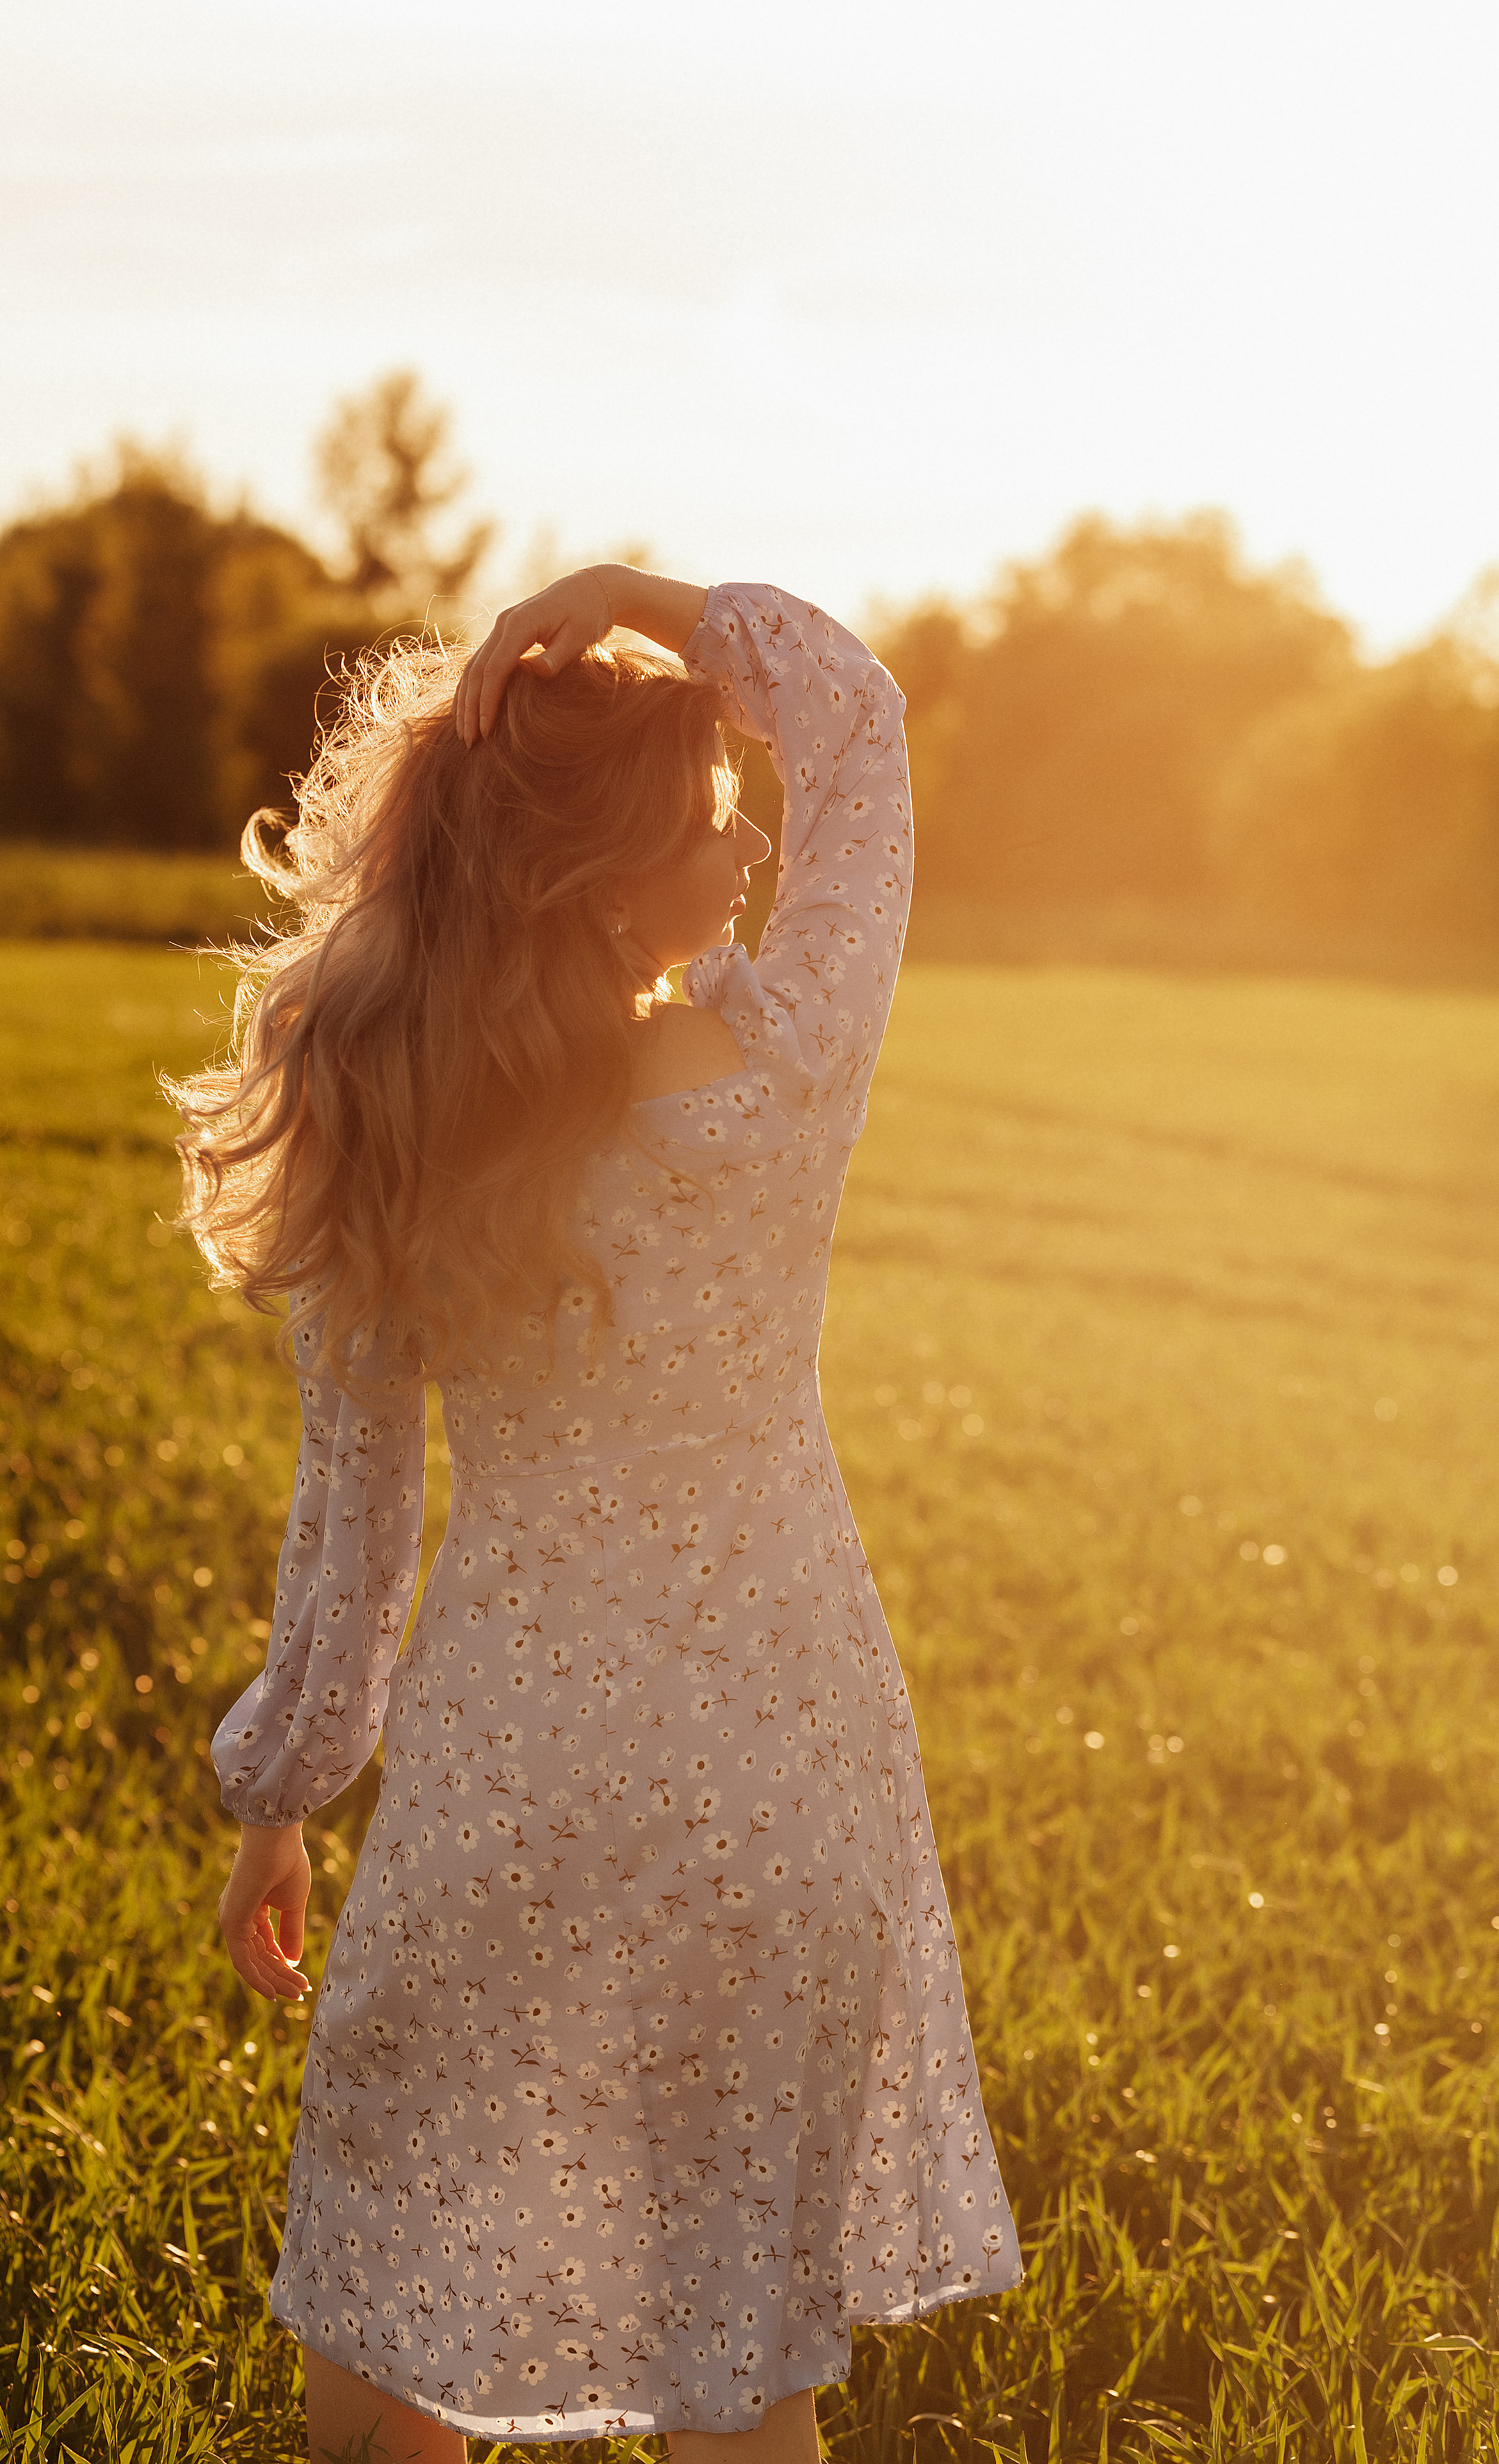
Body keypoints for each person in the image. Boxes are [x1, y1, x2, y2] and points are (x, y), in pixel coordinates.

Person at [173, 566, 1020, 2464]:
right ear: (612, 879)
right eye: (708, 829)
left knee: (381, 2340)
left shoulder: (411, 1112)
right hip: (788, 1759)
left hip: (514, 1771)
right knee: (743, 2373)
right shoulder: (783, 1068)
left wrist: (286, 1798)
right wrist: (656, 605)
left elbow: (354, 1529)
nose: (741, 859)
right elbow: (861, 728)